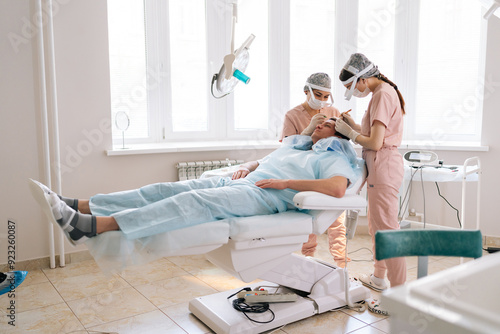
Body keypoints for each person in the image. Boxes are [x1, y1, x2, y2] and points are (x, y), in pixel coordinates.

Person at [30, 119, 362, 249]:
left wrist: (285, 182)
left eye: (331, 122)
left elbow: (335, 188)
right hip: (251, 181)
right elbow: (263, 161)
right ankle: (82, 205)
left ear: (340, 134)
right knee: (168, 189)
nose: (322, 122)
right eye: (321, 119)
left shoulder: (334, 157)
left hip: (267, 197)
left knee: (194, 204)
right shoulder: (296, 145)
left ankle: (94, 226)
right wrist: (247, 166)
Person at [334, 53, 406, 316]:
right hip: (378, 166)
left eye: (352, 87)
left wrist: (349, 134)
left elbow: (375, 143)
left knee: (388, 231)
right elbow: (372, 136)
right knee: (378, 226)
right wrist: (351, 126)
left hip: (384, 165)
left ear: (362, 79)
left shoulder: (384, 94)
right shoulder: (380, 94)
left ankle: (400, 297)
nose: (353, 92)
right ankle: (378, 278)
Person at [279, 73, 349, 268]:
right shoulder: (292, 115)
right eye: (318, 95)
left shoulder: (333, 111)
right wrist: (309, 129)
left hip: (329, 170)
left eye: (326, 96)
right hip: (306, 171)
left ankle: (341, 265)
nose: (323, 101)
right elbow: (287, 148)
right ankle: (307, 262)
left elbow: (342, 141)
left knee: (336, 222)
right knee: (308, 220)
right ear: (306, 91)